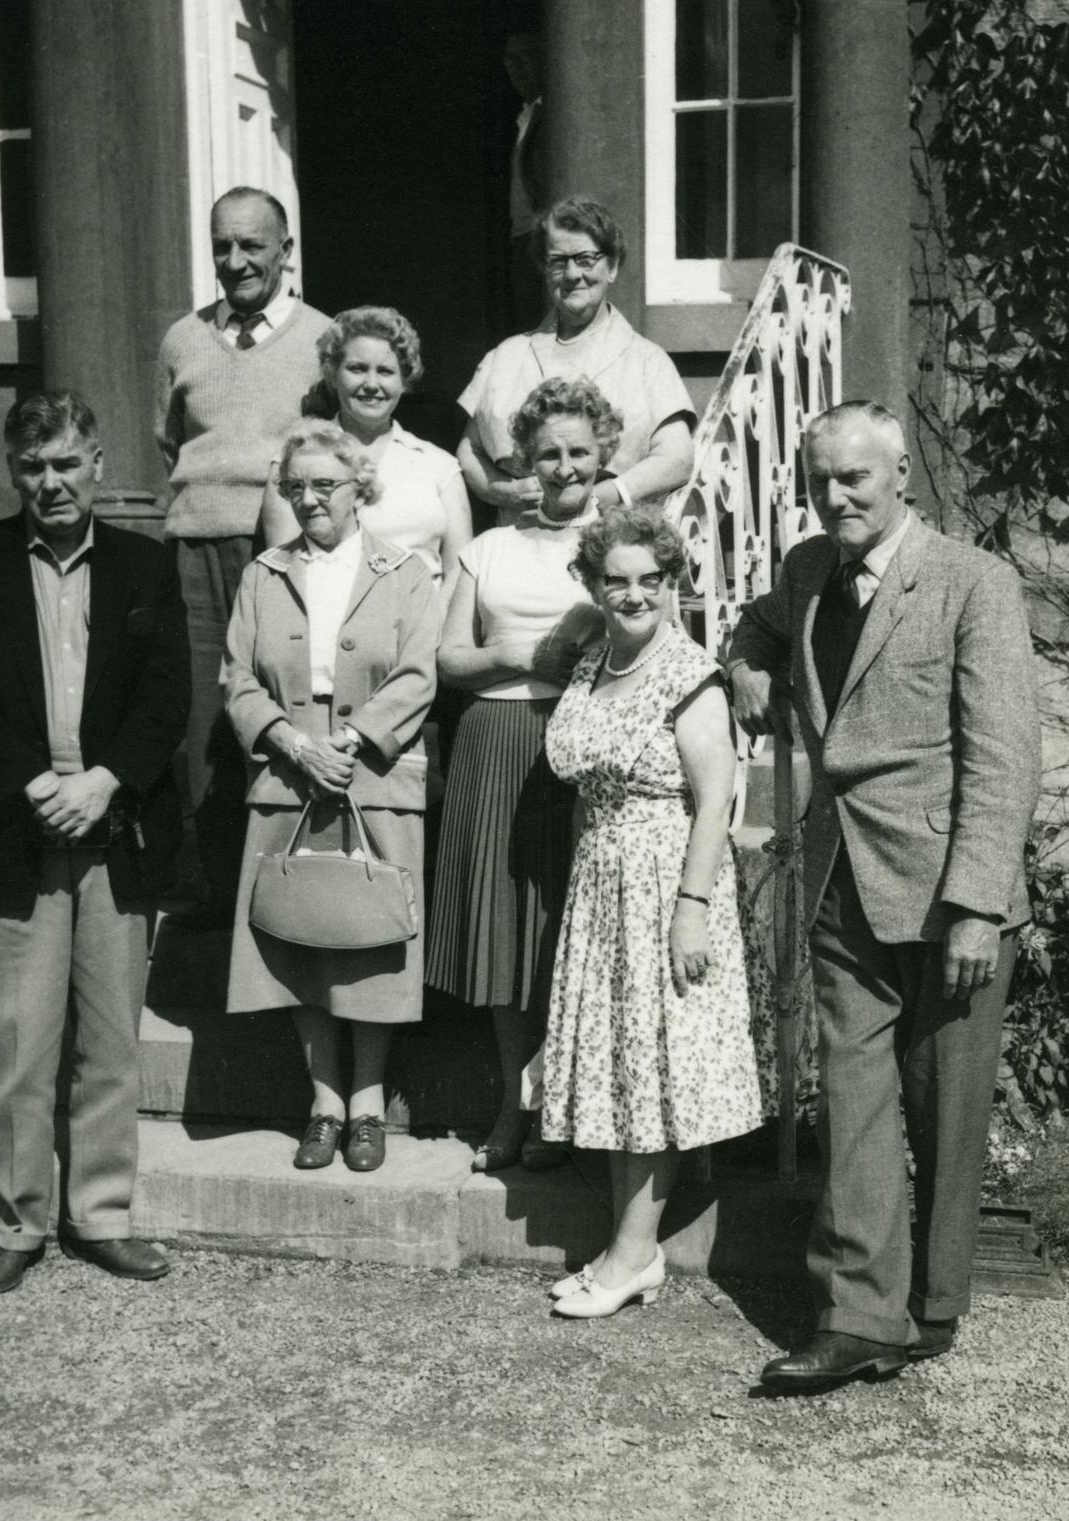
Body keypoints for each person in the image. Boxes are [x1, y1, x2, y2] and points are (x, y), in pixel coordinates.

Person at [728, 400, 1040, 1388]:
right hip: (839, 879)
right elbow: (769, 624)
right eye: (820, 480)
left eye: (855, 478)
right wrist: (744, 658)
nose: (836, 497)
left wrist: (979, 903)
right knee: (853, 1096)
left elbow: (1003, 754)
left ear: (901, 473)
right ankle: (861, 1313)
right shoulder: (807, 570)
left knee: (944, 1104)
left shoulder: (971, 582)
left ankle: (934, 1302)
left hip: (948, 886)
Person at [0, 391, 190, 1297]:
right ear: (12, 471)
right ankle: (17, 1219)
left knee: (110, 1041)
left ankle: (103, 1215)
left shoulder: (147, 567)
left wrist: (104, 779)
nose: (51, 482)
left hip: (116, 830)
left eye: (68, 463)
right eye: (33, 467)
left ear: (99, 464)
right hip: (13, 829)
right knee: (17, 1039)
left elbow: (167, 699)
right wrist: (35, 782)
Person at [540, 505, 772, 1318]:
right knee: (615, 1069)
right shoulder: (593, 661)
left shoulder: (690, 674)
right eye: (617, 580)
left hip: (666, 882)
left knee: (651, 1072)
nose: (635, 593)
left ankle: (634, 1253)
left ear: (673, 583)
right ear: (594, 586)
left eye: (652, 579)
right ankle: (623, 1245)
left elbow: (717, 803)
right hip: (600, 884)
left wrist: (692, 907)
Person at [223, 420, 438, 1174]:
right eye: (297, 486)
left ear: (360, 490)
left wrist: (347, 744)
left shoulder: (405, 571)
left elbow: (418, 673)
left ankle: (370, 1103)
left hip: (373, 779)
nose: (310, 499)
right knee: (299, 936)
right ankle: (323, 1101)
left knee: (371, 938)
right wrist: (289, 740)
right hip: (287, 777)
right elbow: (236, 678)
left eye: (326, 485)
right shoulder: (264, 573)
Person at [427, 377, 621, 1172]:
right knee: (508, 937)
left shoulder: (626, 543)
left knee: (571, 935)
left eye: (580, 451)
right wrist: (510, 657)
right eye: (550, 453)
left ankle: (575, 1108)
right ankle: (518, 1104)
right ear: (527, 461)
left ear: (603, 454)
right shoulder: (488, 547)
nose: (566, 466)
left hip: (587, 746)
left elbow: (658, 639)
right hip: (497, 740)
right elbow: (447, 656)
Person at [155, 187, 329, 928]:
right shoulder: (182, 340)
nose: (235, 261)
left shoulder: (323, 337)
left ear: (284, 251)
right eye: (222, 246)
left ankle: (286, 892)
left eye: (252, 245)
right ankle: (212, 900)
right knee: (200, 725)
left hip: (281, 548)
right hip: (195, 549)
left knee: (283, 712)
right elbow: (169, 440)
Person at [457, 196, 695, 525]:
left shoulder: (646, 360)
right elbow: (469, 451)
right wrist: (504, 491)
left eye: (585, 259)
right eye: (558, 261)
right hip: (521, 533)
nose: (572, 274)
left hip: (609, 537)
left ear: (611, 266)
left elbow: (677, 457)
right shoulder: (507, 355)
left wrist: (599, 496)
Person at [262, 305, 472, 598]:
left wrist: (430, 634)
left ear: (404, 381)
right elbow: (283, 570)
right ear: (333, 374)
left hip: (424, 634)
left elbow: (459, 574)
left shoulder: (438, 466)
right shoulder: (295, 460)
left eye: (385, 371)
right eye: (357, 368)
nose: (371, 384)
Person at [502, 27, 549, 331]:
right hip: (521, 239)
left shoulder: (554, 114)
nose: (517, 68)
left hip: (540, 237)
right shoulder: (526, 115)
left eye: (526, 58)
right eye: (510, 61)